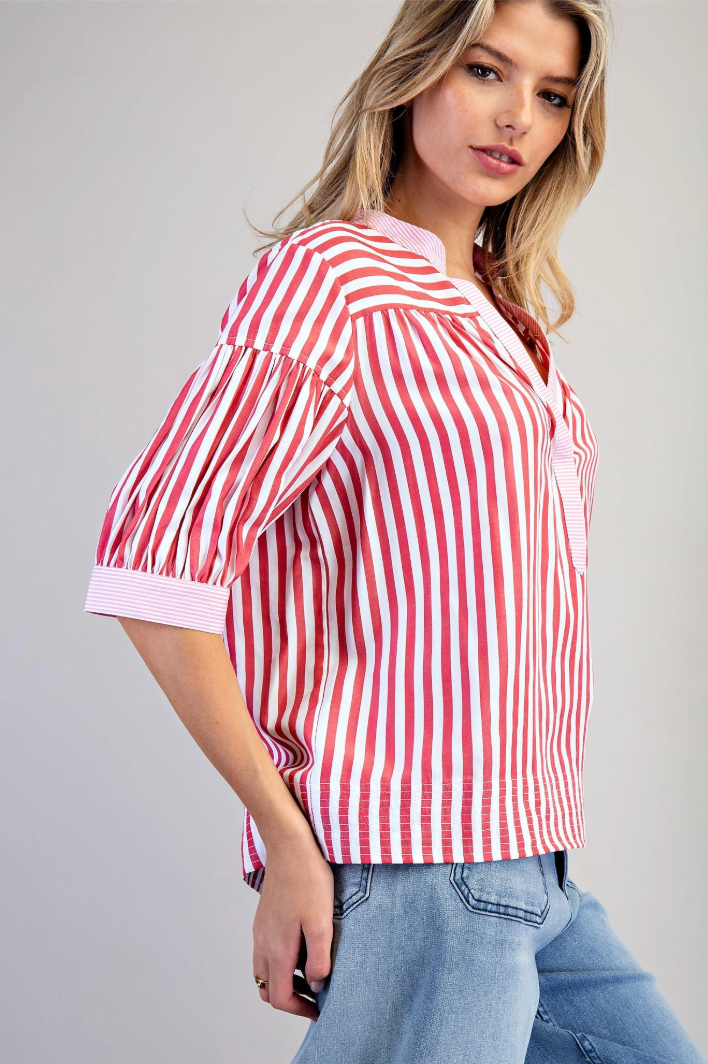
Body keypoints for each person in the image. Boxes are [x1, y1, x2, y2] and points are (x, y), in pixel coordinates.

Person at [84, 1, 706, 1061]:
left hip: (532, 863)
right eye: (486, 71)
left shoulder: (505, 315)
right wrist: (287, 838)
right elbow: (151, 566)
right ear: (416, 73)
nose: (518, 116)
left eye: (553, 95)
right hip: (420, 862)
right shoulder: (333, 282)